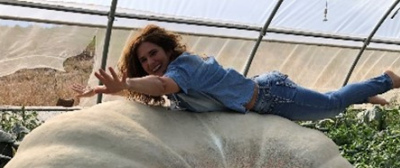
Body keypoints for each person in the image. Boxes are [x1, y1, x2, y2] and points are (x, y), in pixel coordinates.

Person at [72, 24, 400, 121]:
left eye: (153, 53)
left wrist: (125, 83)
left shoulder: (184, 66)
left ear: (167, 51)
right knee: (327, 102)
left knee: (328, 105)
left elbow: (161, 84)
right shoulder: (169, 80)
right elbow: (154, 88)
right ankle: (361, 95)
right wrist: (111, 89)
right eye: (143, 60)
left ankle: (387, 79)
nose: (150, 62)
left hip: (272, 96)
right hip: (257, 96)